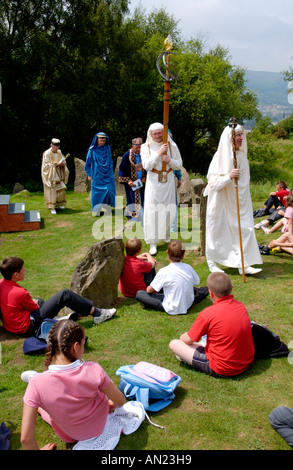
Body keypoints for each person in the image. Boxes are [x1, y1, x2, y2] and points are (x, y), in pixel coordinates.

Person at [21, 320, 145, 450]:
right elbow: (120, 400)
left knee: (49, 410)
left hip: (68, 433)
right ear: (76, 346)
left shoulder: (36, 385)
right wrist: (113, 404)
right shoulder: (93, 370)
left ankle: (36, 390)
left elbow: (25, 438)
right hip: (99, 424)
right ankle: (38, 399)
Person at [0, 257, 116, 336]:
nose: (25, 270)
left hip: (12, 326)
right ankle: (98, 314)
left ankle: (56, 321)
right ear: (15, 275)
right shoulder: (20, 293)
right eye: (23, 269)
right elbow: (33, 308)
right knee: (65, 294)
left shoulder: (1, 283)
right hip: (27, 327)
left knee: (39, 300)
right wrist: (33, 302)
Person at [169, 272, 255, 378]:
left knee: (174, 344)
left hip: (223, 367)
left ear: (211, 293)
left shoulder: (208, 313)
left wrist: (182, 336)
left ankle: (189, 359)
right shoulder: (240, 306)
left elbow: (188, 340)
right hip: (246, 361)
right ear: (231, 288)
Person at [204, 124, 263, 275]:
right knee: (217, 232)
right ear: (229, 138)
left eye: (241, 135)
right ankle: (212, 263)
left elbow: (245, 182)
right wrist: (228, 177)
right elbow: (212, 183)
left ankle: (243, 263)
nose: (241, 138)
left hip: (240, 202)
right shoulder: (219, 157)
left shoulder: (242, 156)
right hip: (221, 203)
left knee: (245, 230)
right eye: (237, 135)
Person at [141, 123, 182, 255]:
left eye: (160, 133)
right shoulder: (145, 147)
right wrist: (158, 154)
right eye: (155, 134)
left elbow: (179, 165)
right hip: (153, 180)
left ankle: (165, 235)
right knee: (153, 209)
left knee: (168, 208)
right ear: (151, 134)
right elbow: (146, 165)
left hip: (168, 179)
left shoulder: (172, 145)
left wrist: (168, 159)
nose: (158, 136)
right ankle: (153, 242)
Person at [136, 240, 206, 315]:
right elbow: (197, 281)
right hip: (188, 304)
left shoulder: (164, 271)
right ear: (183, 254)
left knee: (140, 294)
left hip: (171, 307)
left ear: (167, 252)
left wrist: (148, 288)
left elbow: (149, 290)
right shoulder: (188, 267)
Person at [84, 132, 116, 216]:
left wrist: (111, 172)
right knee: (96, 194)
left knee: (109, 191)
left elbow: (110, 161)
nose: (102, 142)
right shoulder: (92, 149)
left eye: (104, 140)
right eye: (101, 140)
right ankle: (96, 210)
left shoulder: (107, 148)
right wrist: (89, 174)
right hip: (96, 175)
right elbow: (88, 162)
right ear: (97, 140)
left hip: (108, 174)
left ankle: (106, 207)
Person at [119, 137, 146, 220]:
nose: (139, 149)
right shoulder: (127, 156)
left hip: (142, 181)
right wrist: (128, 181)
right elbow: (122, 170)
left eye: (140, 147)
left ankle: (142, 216)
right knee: (131, 199)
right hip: (131, 183)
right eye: (137, 147)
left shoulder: (144, 155)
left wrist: (145, 177)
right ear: (132, 146)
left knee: (142, 197)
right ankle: (132, 216)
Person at [41, 138, 69, 215]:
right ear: (51, 145)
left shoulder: (59, 152)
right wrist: (56, 165)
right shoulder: (46, 154)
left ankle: (60, 204)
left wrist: (63, 164)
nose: (57, 148)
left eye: (58, 146)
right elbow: (45, 166)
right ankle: (52, 207)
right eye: (55, 146)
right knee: (52, 190)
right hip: (51, 175)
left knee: (60, 189)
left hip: (59, 174)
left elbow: (63, 160)